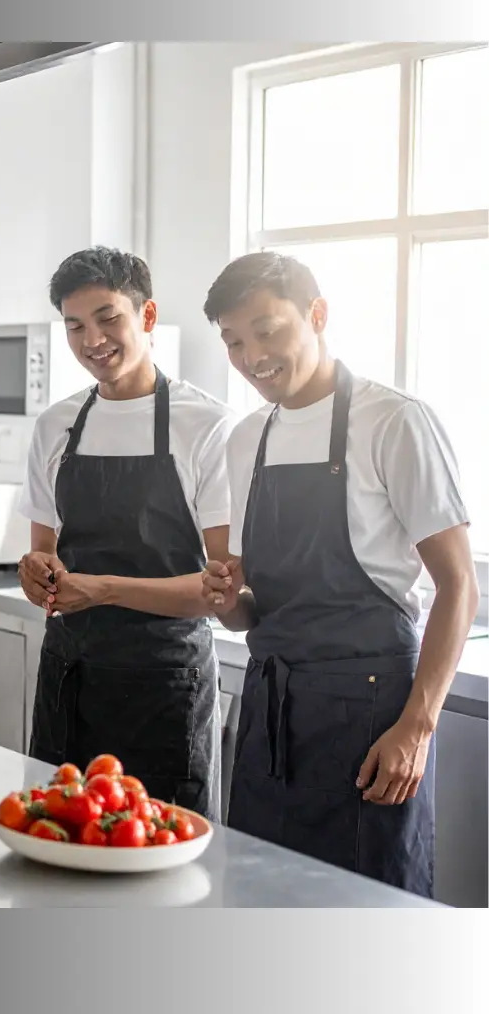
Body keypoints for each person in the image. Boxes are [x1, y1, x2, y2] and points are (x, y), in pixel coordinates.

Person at [201, 251, 479, 898]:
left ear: (317, 314)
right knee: (260, 901)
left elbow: (458, 585)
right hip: (271, 712)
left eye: (267, 331)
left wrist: (416, 728)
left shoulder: (395, 421)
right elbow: (254, 608)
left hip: (371, 713)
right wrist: (226, 601)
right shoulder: (248, 438)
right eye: (235, 342)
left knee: (366, 918)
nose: (251, 357)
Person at [17, 247, 236, 821]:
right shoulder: (55, 425)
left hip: (165, 686)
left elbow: (223, 590)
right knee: (58, 845)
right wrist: (35, 573)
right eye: (75, 326)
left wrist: (103, 589)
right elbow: (43, 554)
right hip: (69, 678)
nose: (93, 340)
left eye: (108, 318)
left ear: (147, 315)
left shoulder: (206, 425)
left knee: (162, 863)